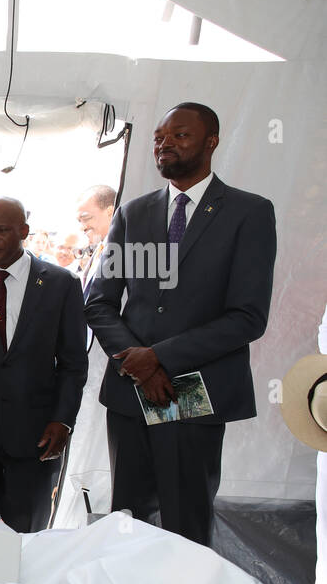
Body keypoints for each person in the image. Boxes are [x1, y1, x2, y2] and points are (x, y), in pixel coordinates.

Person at [84, 102, 276, 546]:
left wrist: (159, 359)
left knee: (184, 522)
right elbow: (99, 303)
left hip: (193, 392)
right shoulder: (134, 213)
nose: (164, 144)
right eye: (158, 137)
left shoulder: (248, 213)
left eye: (180, 135)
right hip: (133, 392)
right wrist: (140, 365)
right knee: (127, 522)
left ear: (212, 142)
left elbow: (248, 316)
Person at [0, 198, 87, 532]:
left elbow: (73, 364)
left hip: (36, 440)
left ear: (23, 231)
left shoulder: (60, 285)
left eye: (1, 230)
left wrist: (62, 421)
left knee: (28, 541)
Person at [75, 185, 116, 296]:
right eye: (79, 221)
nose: (82, 227)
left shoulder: (125, 252)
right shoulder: (99, 250)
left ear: (110, 212)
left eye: (86, 218)